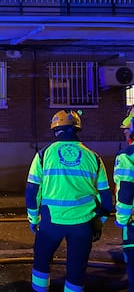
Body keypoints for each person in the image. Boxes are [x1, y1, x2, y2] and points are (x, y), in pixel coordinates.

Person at [25, 109, 113, 292]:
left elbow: (32, 191)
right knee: (76, 270)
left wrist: (33, 219)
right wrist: (98, 222)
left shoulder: (43, 155)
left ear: (55, 129)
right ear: (77, 129)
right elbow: (105, 197)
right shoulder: (94, 157)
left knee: (41, 261)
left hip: (51, 222)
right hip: (83, 223)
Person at [114, 106, 134, 292]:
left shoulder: (127, 156)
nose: (125, 131)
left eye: (128, 127)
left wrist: (121, 219)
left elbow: (126, 191)